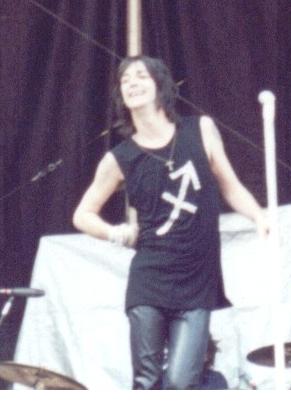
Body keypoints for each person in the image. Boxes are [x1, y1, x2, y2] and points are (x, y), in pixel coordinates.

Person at [73, 55, 268, 390]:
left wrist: (258, 216)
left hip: (197, 279)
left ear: (160, 85)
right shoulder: (120, 158)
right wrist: (116, 233)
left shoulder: (200, 130)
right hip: (150, 277)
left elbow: (230, 185)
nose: (132, 83)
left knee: (180, 381)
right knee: (147, 380)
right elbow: (83, 214)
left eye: (141, 76)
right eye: (125, 80)